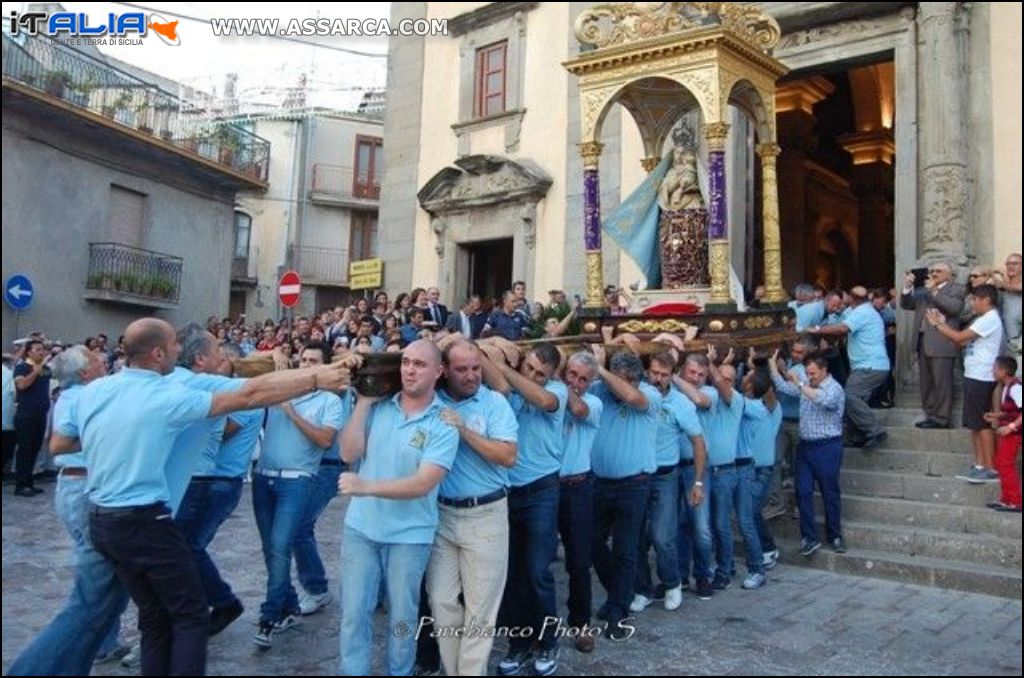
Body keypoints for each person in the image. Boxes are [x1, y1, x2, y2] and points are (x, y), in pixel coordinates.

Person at [49, 318, 354, 676]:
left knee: (153, 614)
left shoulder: (100, 390)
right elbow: (250, 394)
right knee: (187, 614)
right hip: (143, 518)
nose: (180, 350)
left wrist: (124, 437)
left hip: (103, 516)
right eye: (174, 346)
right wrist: (316, 379)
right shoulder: (168, 393)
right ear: (159, 352)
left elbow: (62, 443)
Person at [338, 340, 459, 677]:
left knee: (403, 618)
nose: (409, 369)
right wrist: (362, 402)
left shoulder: (444, 421)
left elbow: (423, 483)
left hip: (410, 535)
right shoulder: (379, 408)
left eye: (420, 364)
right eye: (406, 362)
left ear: (439, 372)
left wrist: (366, 486)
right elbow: (348, 454)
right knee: (353, 615)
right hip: (362, 528)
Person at [425, 340, 518, 676]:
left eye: (476, 368)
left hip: (486, 515)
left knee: (480, 610)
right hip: (442, 515)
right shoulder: (432, 402)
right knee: (440, 600)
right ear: (444, 371)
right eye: (461, 369)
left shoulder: (494, 403)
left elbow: (508, 455)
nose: (471, 376)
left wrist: (463, 430)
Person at [769, 352, 847, 557]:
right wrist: (772, 368)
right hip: (805, 447)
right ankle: (808, 538)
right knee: (802, 492)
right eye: (807, 373)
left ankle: (835, 534)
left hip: (827, 447)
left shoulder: (834, 388)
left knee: (829, 492)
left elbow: (823, 401)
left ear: (824, 370)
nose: (809, 376)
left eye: (812, 373)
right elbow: (786, 387)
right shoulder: (805, 383)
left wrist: (802, 385)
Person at [927, 285, 1005, 483]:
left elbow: (959, 337)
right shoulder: (982, 319)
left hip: (982, 376)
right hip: (974, 375)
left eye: (975, 300)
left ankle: (990, 468)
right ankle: (979, 464)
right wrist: (945, 325)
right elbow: (961, 342)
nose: (972, 304)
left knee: (982, 424)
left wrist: (938, 325)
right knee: (974, 424)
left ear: (986, 300)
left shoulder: (990, 319)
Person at [900, 263, 964, 429]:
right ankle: (930, 414)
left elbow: (954, 308)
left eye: (938, 271)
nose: (934, 273)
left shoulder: (955, 289)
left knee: (942, 382)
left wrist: (934, 291)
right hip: (922, 341)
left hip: (942, 342)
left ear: (949, 275)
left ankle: (941, 418)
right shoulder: (923, 289)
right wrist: (907, 287)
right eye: (932, 271)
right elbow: (907, 305)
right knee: (926, 382)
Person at [984, 356, 1022, 512]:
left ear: (1004, 371)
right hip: (1008, 432)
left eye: (995, 369)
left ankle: (1015, 500)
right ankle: (1006, 499)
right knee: (1001, 463)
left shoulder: (1015, 387)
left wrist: (1011, 426)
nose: (993, 371)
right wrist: (997, 416)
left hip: (1014, 433)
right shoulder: (1006, 386)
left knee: (1005, 464)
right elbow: (1011, 410)